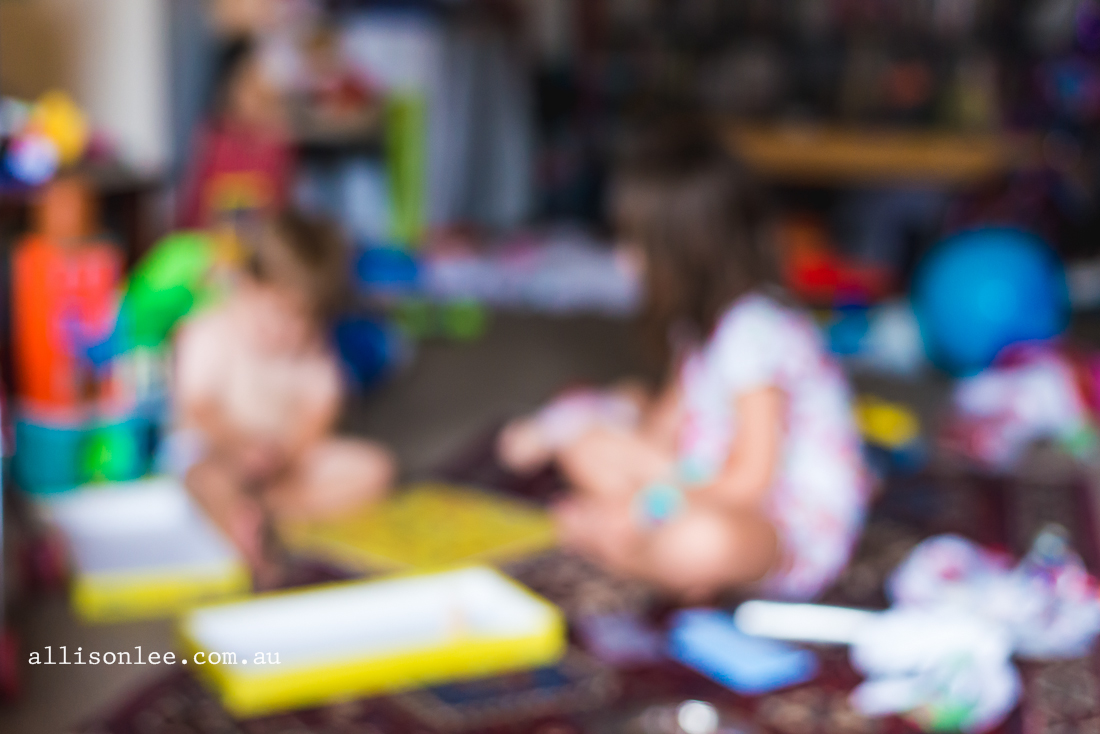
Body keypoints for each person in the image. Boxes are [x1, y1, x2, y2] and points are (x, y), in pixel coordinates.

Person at [499, 126, 869, 601]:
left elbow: (750, 482)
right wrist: (629, 458)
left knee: (701, 542)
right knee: (585, 444)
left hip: (779, 525)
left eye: (638, 245)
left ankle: (627, 550)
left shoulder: (753, 332)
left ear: (687, 253)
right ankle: (649, 547)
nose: (623, 261)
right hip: (699, 483)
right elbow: (665, 424)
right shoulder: (698, 329)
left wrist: (646, 505)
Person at [169, 211, 394, 576]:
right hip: (222, 452)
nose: (287, 333)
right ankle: (252, 544)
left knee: (375, 469)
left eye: (301, 321)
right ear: (246, 285)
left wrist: (287, 452)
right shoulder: (208, 331)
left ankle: (264, 513)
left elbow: (319, 409)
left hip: (284, 460)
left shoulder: (312, 348)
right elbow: (199, 409)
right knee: (205, 477)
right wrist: (239, 444)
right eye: (277, 314)